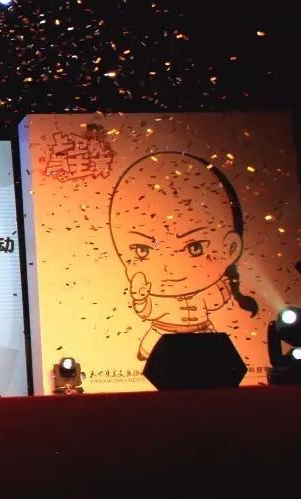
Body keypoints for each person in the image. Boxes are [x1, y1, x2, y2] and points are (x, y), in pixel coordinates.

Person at [108, 152, 260, 361]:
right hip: (161, 337)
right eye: (143, 250)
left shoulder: (210, 293)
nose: (170, 269)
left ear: (230, 248)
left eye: (194, 248)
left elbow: (218, 299)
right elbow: (147, 311)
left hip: (203, 336)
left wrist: (232, 286)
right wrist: (140, 297)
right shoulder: (159, 301)